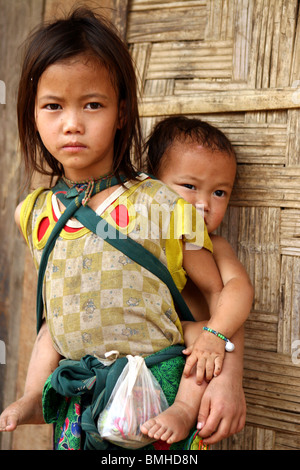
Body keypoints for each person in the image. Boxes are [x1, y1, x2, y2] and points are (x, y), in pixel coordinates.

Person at [0, 8, 248, 450]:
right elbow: (55, 316)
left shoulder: (162, 203)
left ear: (121, 113)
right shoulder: (33, 213)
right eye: (53, 106)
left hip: (156, 397)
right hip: (80, 404)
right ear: (32, 114)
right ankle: (36, 400)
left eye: (92, 104)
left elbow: (217, 294)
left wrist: (227, 379)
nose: (72, 122)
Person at [140, 116, 253, 444]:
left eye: (219, 192)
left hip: (194, 361)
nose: (203, 204)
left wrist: (215, 336)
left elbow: (238, 289)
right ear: (151, 185)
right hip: (138, 357)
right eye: (189, 187)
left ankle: (184, 409)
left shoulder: (214, 245)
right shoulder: (142, 237)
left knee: (199, 344)